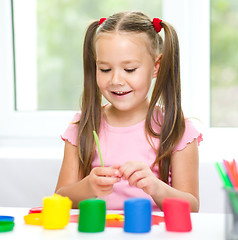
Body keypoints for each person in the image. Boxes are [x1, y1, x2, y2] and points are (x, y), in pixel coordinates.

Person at [55, 11, 203, 212]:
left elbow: (191, 208)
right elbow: (59, 199)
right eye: (105, 69)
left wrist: (156, 187)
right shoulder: (83, 126)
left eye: (130, 69)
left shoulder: (178, 130)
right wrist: (88, 186)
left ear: (156, 67)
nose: (116, 80)